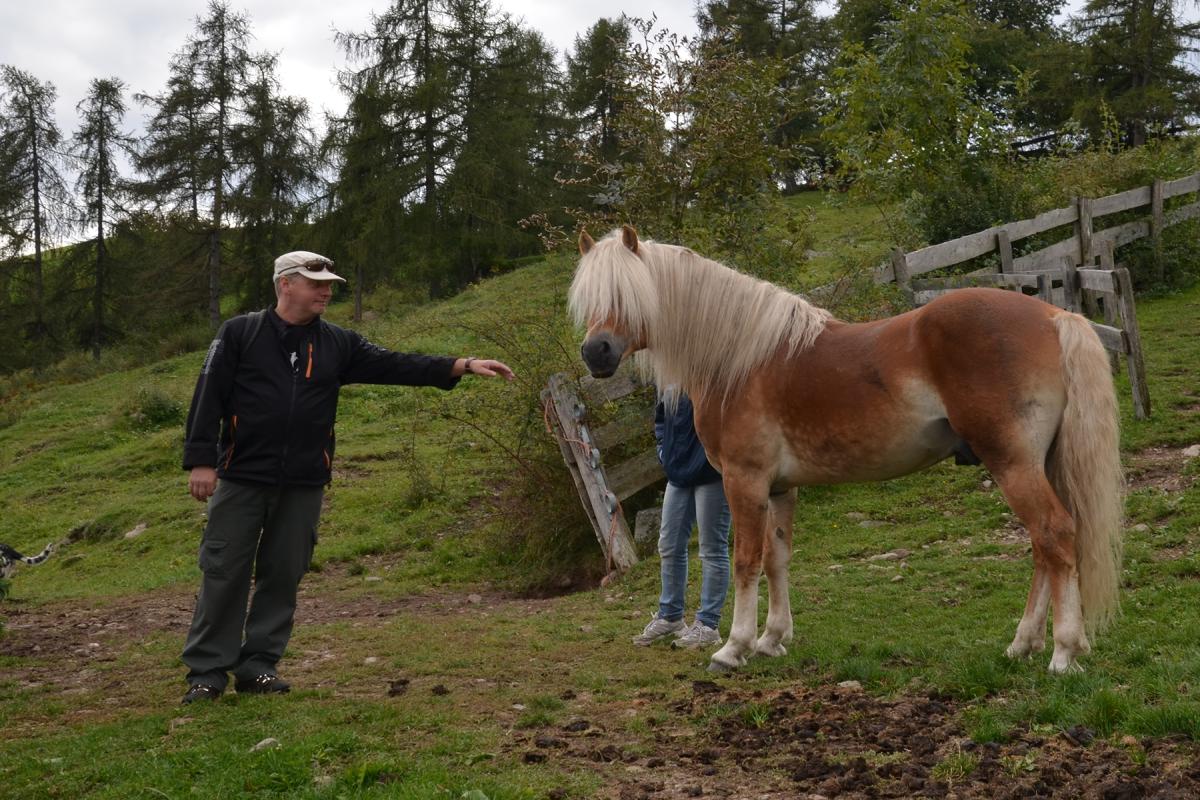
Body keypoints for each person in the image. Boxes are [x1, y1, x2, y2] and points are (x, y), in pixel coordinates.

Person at [179, 251, 514, 704]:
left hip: (303, 481)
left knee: (284, 573)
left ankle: (258, 665)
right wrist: (201, 460)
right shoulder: (241, 333)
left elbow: (396, 364)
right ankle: (208, 672)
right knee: (224, 571)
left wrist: (463, 364)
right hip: (241, 476)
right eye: (315, 282)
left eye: (328, 283)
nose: (326, 290)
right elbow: (209, 393)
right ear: (285, 284)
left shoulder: (338, 342)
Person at [633, 389, 732, 650]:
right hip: (678, 474)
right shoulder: (668, 377)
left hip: (711, 472)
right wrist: (664, 453)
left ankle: (708, 625)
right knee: (669, 545)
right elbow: (661, 419)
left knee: (712, 548)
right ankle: (670, 617)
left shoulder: (710, 371)